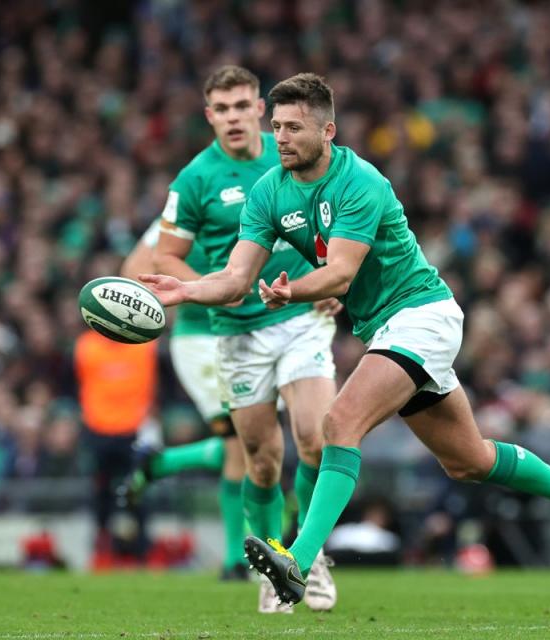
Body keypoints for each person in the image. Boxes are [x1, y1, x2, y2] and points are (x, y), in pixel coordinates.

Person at [138, 73, 550, 605]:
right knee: (468, 460)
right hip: (385, 328)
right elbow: (236, 278)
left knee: (338, 422)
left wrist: (291, 291)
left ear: (328, 131)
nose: (280, 137)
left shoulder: (360, 181)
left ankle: (298, 564)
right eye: (276, 126)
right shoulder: (268, 191)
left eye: (293, 128)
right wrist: (185, 291)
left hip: (423, 314)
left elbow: (341, 274)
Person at [136, 66, 340, 613]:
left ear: (259, 111)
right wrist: (209, 286)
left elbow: (334, 224)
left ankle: (308, 555)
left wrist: (329, 280)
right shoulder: (194, 179)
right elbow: (165, 256)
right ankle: (272, 563)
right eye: (220, 109)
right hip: (236, 332)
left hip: (298, 316)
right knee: (261, 459)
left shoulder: (290, 156)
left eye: (241, 105)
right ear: (209, 116)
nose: (232, 117)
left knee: (315, 438)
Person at [118, 218, 250, 581]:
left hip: (258, 336)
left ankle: (161, 464)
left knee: (260, 444)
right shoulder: (186, 204)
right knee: (241, 445)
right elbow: (134, 273)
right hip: (202, 341)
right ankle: (235, 560)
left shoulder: (271, 196)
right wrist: (207, 288)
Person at [73, 327, 157, 570]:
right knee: (101, 495)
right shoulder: (85, 346)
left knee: (139, 493)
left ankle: (143, 551)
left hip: (134, 430)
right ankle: (102, 552)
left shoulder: (145, 344)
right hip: (98, 430)